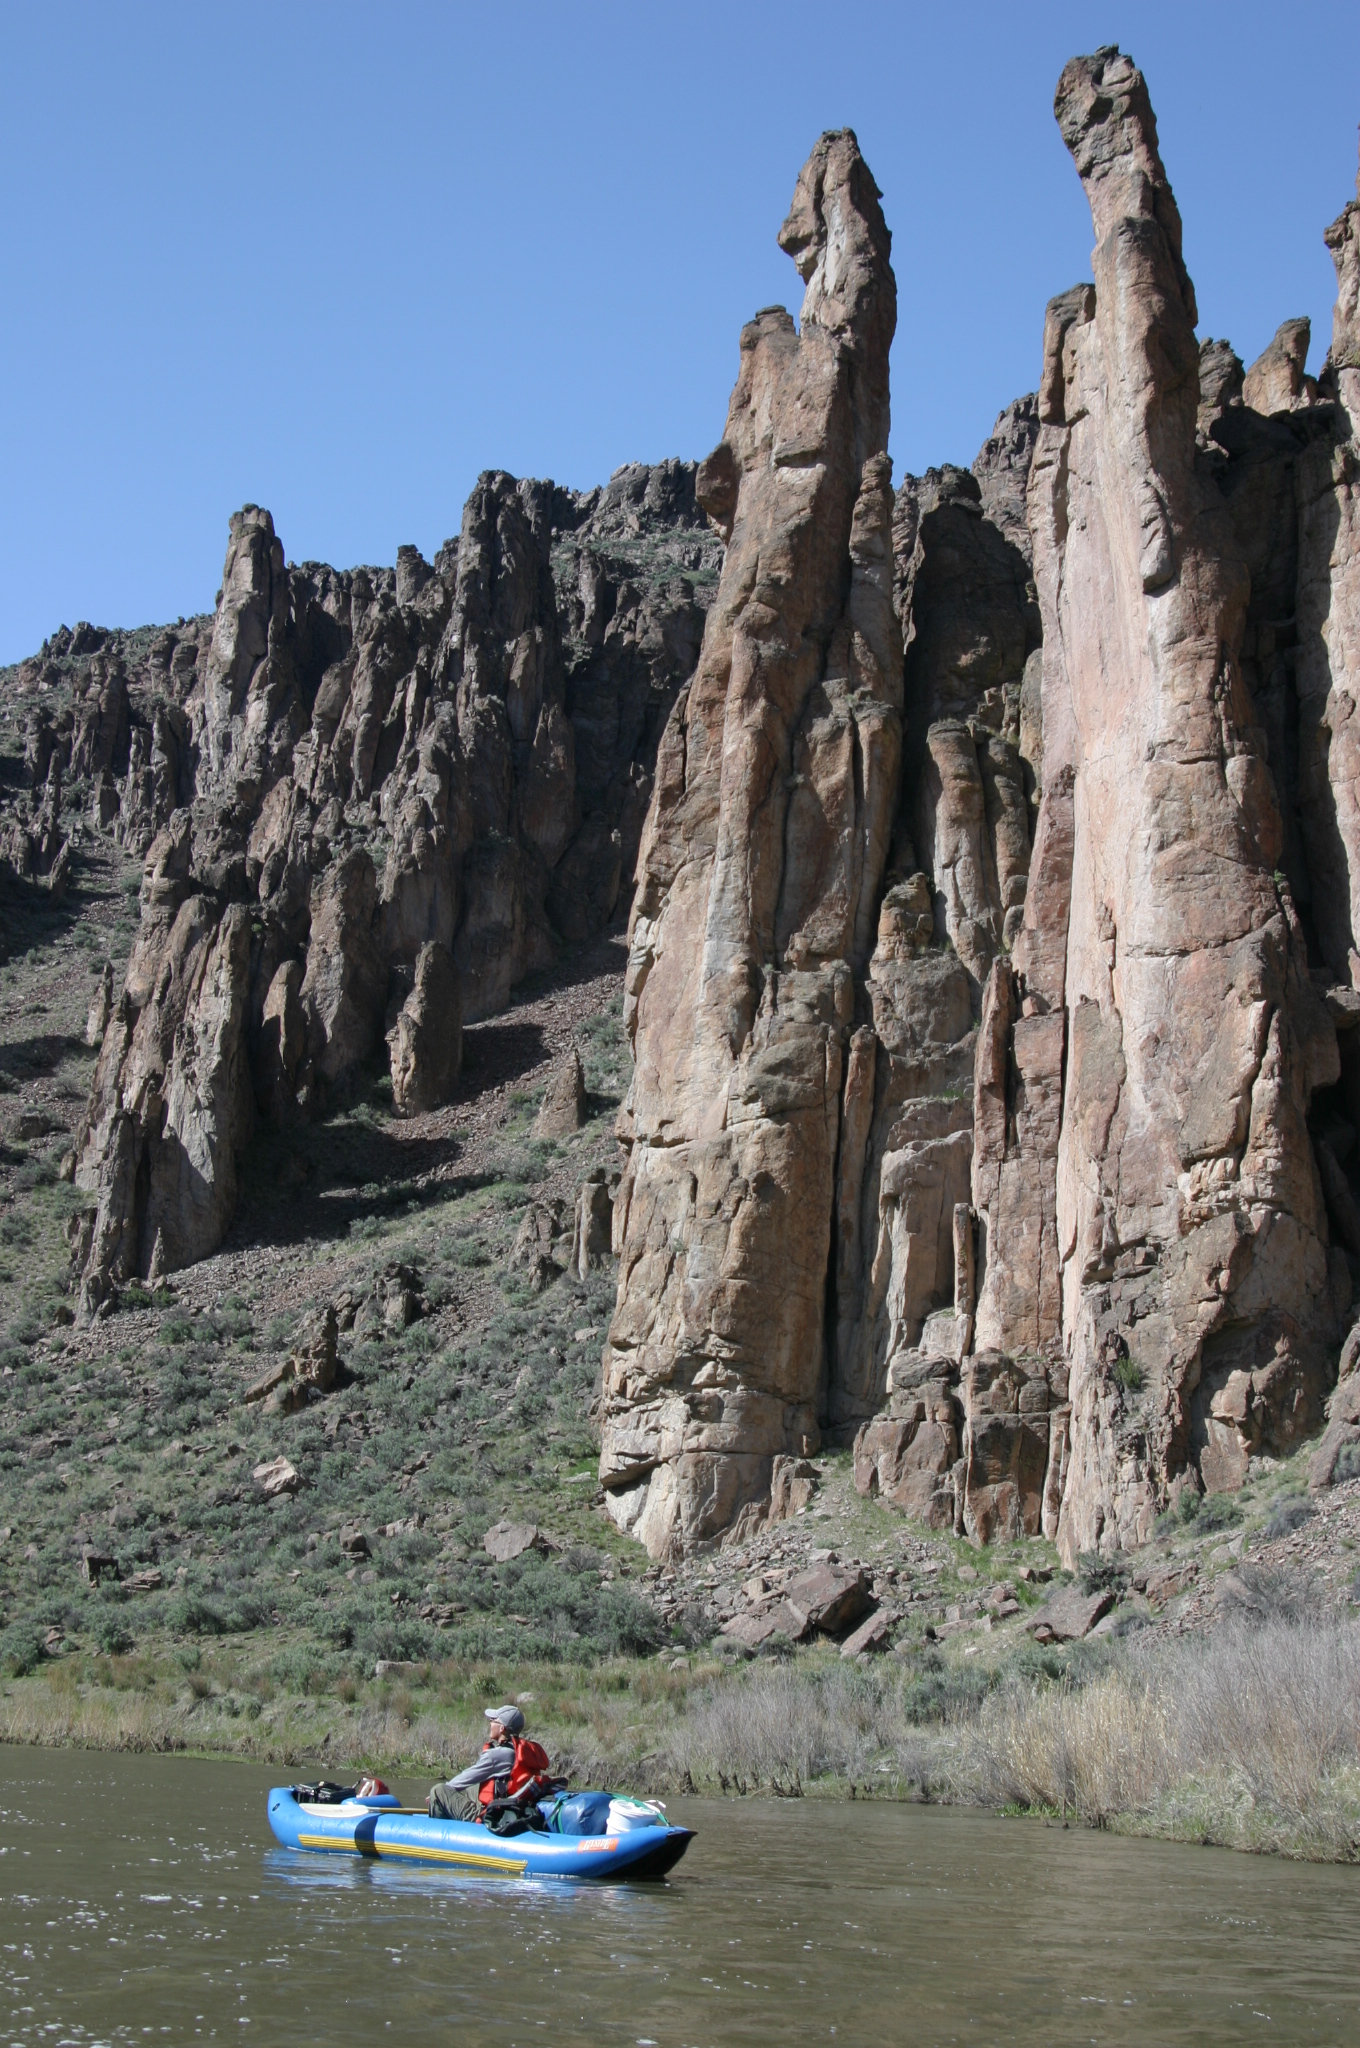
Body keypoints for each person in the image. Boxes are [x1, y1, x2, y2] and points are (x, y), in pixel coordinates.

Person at [427, 1704, 553, 1824]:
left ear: (502, 1728)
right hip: (511, 1810)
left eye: (493, 1720)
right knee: (474, 1787)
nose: (490, 1723)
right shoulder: (521, 1752)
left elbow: (465, 1778)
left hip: (491, 1816)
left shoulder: (497, 1754)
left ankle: (441, 1830)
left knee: (438, 1791)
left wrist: (441, 1794)